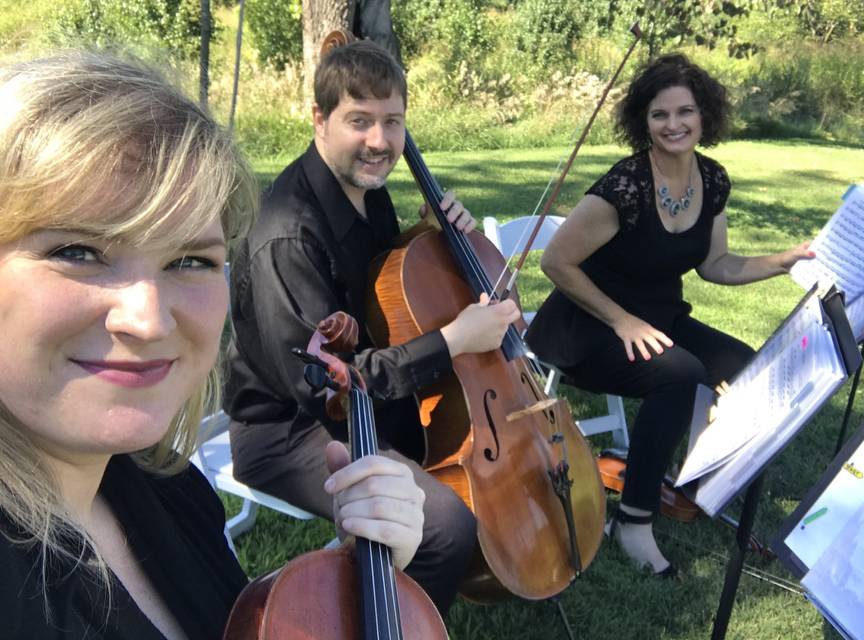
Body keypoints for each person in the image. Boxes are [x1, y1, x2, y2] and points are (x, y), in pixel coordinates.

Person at [0, 51, 425, 639]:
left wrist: (350, 592)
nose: (147, 321)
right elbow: (306, 373)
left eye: (189, 260)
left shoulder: (167, 487)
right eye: (76, 251)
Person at [223, 39, 519, 615]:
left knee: (480, 469)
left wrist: (428, 233)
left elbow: (382, 294)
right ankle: (395, 623)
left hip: (364, 400)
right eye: (359, 121)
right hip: (290, 430)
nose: (380, 142)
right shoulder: (287, 234)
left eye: (392, 122)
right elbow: (324, 386)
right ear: (320, 119)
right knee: (447, 528)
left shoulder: (364, 193)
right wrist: (455, 340)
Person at [525, 54, 813, 576]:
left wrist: (782, 261)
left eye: (686, 112)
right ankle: (633, 523)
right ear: (644, 121)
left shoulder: (712, 179)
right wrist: (621, 321)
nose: (674, 124)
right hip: (586, 326)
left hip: (659, 317)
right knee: (680, 374)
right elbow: (556, 261)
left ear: (705, 117)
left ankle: (692, 485)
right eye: (660, 114)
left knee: (746, 366)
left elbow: (716, 265)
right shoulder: (626, 186)